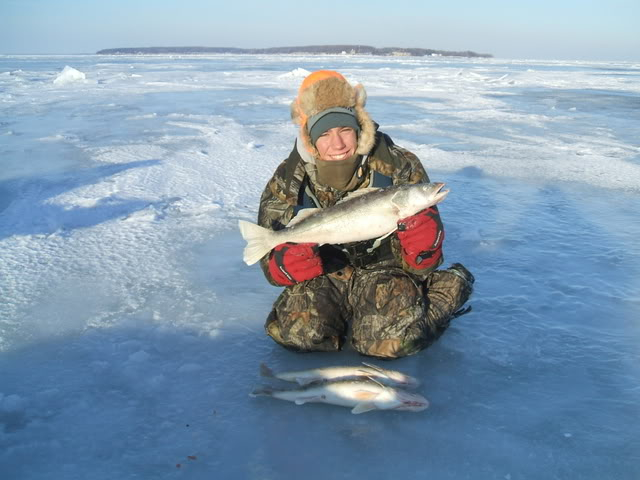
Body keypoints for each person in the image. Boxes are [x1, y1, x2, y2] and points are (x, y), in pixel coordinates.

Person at [255, 70, 474, 359]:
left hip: (386, 269)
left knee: (390, 344)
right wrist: (288, 259)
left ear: (359, 128)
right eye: (325, 134)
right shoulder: (288, 177)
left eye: (345, 130)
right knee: (299, 336)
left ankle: (446, 291)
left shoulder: (399, 164)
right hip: (328, 272)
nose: (338, 144)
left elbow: (422, 264)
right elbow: (271, 260)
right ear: (310, 139)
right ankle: (350, 314)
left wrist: (424, 244)